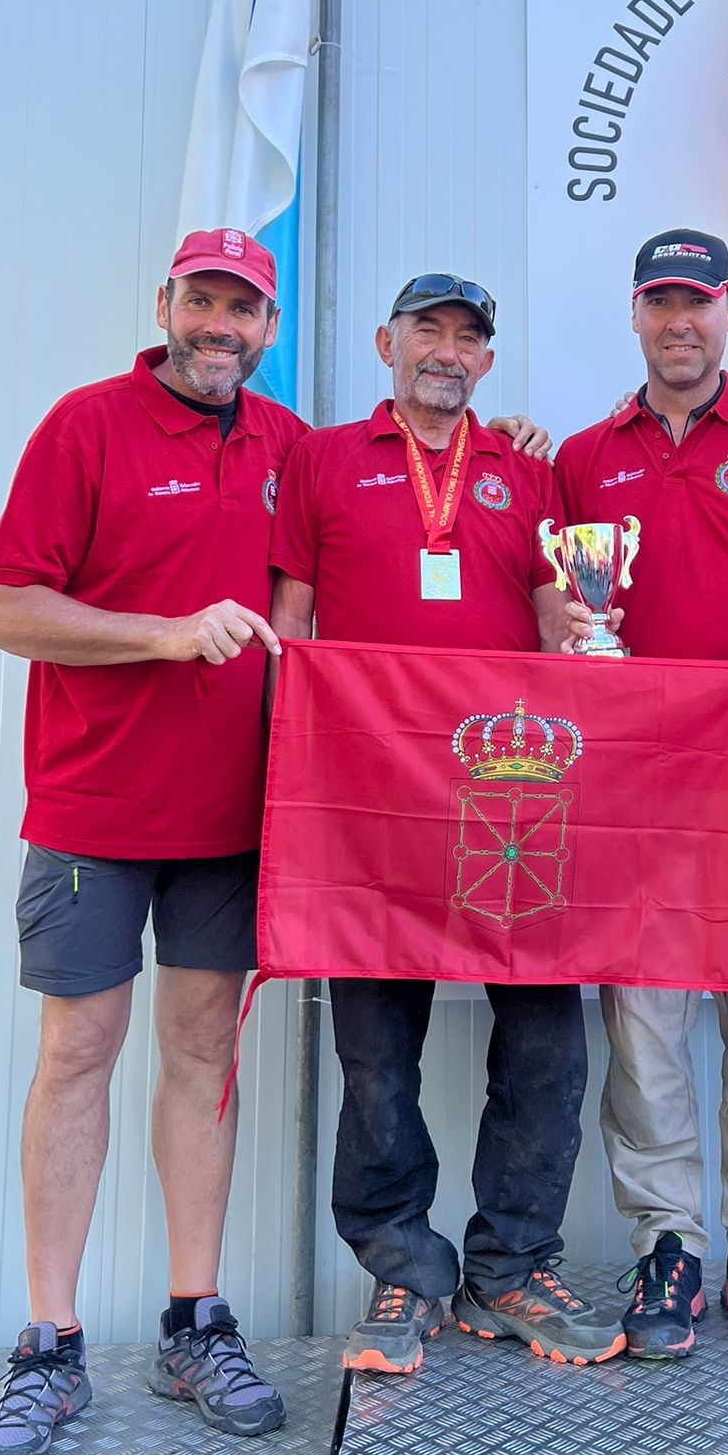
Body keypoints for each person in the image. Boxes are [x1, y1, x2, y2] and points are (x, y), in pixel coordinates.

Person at [0, 229, 302, 1455]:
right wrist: (162, 635)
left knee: (204, 1053)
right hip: (94, 812)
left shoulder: (285, 445)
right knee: (78, 1055)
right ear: (164, 305)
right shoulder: (85, 424)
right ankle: (49, 1342)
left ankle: (192, 1322)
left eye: (245, 307)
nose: (222, 323)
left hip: (231, 819)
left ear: (270, 325)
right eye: (203, 299)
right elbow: (4, 607)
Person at [268, 272, 626, 1376]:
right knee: (377, 1047)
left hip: (506, 798)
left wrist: (587, 636)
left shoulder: (531, 467)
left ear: (488, 360)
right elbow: (290, 626)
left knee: (546, 1040)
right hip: (370, 800)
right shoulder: (321, 458)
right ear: (386, 340)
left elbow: (569, 617)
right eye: (429, 327)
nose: (449, 350)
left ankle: (512, 1265)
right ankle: (401, 1267)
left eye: (472, 336)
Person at [554, 232, 728, 1359]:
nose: (679, 322)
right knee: (645, 1030)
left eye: (699, 302)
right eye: (658, 302)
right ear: (634, 314)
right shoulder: (581, 454)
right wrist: (569, 630)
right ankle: (667, 1241)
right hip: (635, 793)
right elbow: (558, 598)